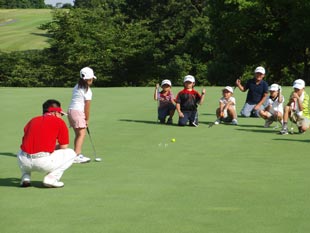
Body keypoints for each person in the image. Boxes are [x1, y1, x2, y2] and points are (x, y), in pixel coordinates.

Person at [17, 99, 76, 188]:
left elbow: (25, 140)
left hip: (24, 162)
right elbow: (64, 146)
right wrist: (52, 147)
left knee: (22, 150)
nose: (61, 116)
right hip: (43, 163)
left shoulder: (32, 120)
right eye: (61, 114)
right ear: (56, 113)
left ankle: (26, 176)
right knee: (71, 153)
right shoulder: (59, 122)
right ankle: (51, 178)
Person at [68, 67, 96, 163]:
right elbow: (87, 107)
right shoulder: (87, 90)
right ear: (89, 79)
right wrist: (87, 119)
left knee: (78, 134)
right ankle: (77, 155)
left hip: (71, 111)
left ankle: (75, 154)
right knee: (82, 134)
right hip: (78, 112)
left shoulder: (77, 86)